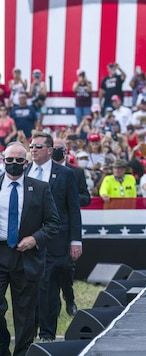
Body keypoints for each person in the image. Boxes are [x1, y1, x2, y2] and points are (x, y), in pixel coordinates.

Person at [0, 142, 59, 355]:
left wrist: (35, 239)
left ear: (26, 163)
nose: (13, 164)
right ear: (3, 160)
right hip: (0, 252)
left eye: (18, 160)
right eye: (9, 160)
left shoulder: (40, 189)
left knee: (25, 312)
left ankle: (23, 352)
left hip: (26, 256)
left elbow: (53, 223)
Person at [25, 132, 81, 342]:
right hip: (30, 240)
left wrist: (75, 240)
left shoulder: (65, 174)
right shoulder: (25, 171)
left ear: (50, 150)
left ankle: (47, 335)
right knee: (32, 287)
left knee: (49, 287)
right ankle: (30, 330)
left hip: (56, 240)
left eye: (38, 147)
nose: (33, 151)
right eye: (31, 147)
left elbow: (73, 209)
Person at [52, 137, 90, 317]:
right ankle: (53, 304)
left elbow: (86, 198)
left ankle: (69, 297)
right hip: (49, 226)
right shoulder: (43, 172)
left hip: (67, 226)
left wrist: (70, 197)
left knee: (66, 267)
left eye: (59, 148)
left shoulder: (76, 173)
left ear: (66, 151)